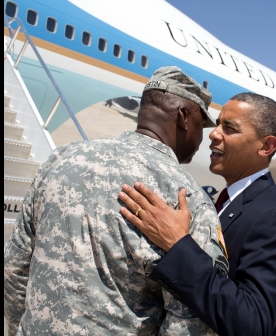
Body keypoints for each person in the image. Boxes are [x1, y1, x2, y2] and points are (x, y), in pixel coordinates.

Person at [4, 66, 225, 335]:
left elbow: (15, 268)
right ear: (183, 117)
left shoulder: (61, 159)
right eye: (201, 126)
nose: (202, 138)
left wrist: (20, 327)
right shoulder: (186, 200)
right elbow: (191, 319)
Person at [118, 92, 276, 336]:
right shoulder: (226, 202)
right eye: (217, 124)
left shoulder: (273, 215)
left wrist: (178, 245)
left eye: (230, 128)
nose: (213, 133)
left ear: (266, 146)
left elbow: (254, 322)